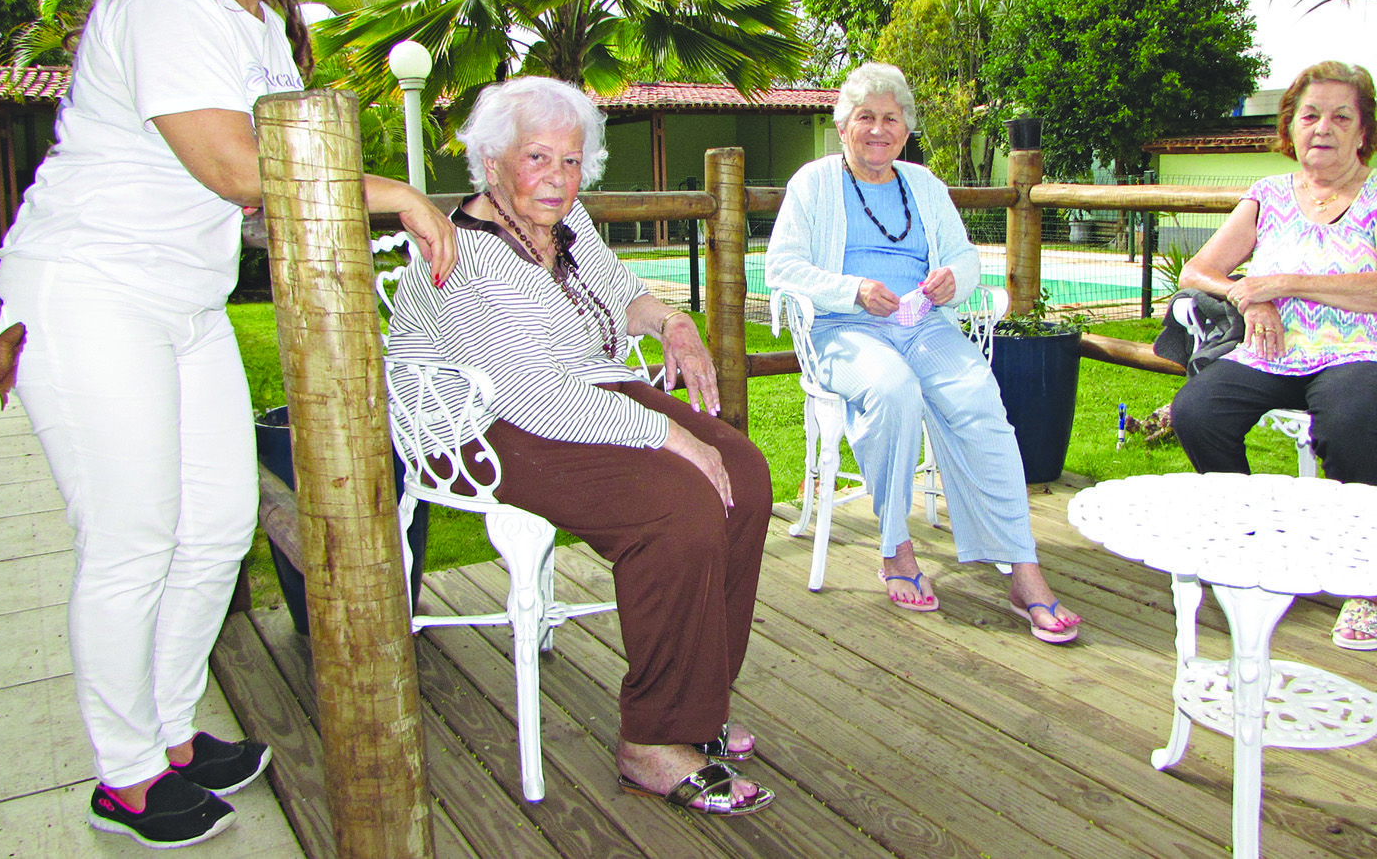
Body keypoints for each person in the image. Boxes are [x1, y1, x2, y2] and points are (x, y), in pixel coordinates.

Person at [0, 0, 456, 848]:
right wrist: (405, 197)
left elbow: (254, 198)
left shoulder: (251, 23)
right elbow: (244, 169)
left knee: (212, 528)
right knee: (132, 537)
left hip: (184, 302)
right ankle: (122, 776)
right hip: (88, 291)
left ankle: (166, 734)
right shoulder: (162, 4)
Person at [387, 76, 775, 817]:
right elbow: (528, 394)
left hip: (582, 391)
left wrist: (672, 322)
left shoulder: (566, 221)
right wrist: (668, 435)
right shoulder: (461, 251)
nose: (558, 179)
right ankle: (653, 741)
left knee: (747, 474)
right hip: (482, 422)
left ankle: (698, 704)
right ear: (493, 159)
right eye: (538, 157)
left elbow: (620, 288)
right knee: (678, 503)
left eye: (571, 161)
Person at [763, 62, 1082, 642]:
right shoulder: (813, 184)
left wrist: (948, 282)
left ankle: (1023, 569)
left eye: (891, 118)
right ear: (844, 126)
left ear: (906, 129)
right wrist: (852, 290)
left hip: (923, 324)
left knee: (979, 399)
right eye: (866, 117)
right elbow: (780, 267)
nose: (879, 129)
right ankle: (896, 547)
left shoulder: (925, 187)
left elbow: (965, 260)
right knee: (892, 388)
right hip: (844, 327)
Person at [1170, 60, 1377, 651]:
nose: (1324, 127)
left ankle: (1368, 584)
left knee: (1350, 421)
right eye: (1310, 115)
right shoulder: (1269, 195)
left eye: (1343, 116)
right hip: (1274, 353)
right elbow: (1198, 269)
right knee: (1197, 411)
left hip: (1366, 352)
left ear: (1364, 131)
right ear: (1291, 126)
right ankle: (1251, 545)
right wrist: (1248, 296)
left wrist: (1283, 282)